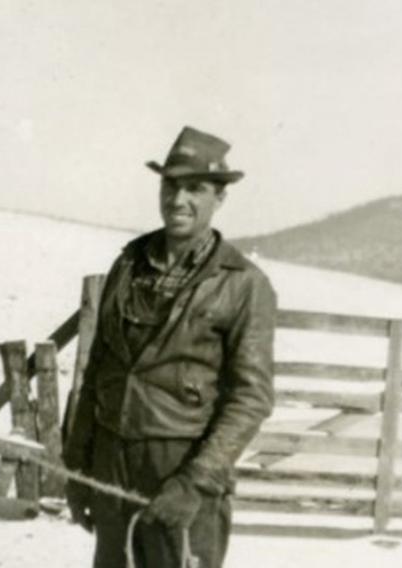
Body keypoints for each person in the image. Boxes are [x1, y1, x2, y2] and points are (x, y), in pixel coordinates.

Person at [62, 126, 277, 568]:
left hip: (181, 469)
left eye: (195, 188)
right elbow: (98, 369)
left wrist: (195, 483)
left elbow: (251, 398)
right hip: (111, 462)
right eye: (170, 185)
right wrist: (78, 468)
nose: (178, 200)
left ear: (220, 198)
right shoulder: (128, 263)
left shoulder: (243, 285)